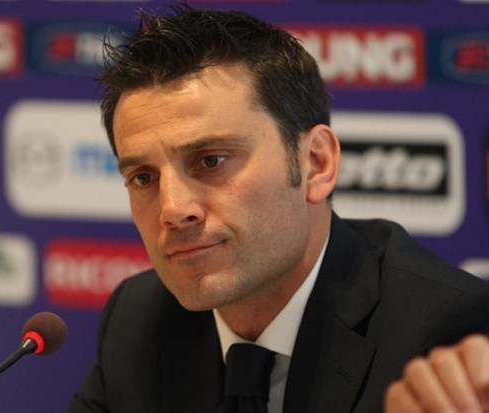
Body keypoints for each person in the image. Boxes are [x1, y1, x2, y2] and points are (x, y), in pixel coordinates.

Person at [68, 6, 489, 413]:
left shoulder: (445, 336)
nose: (174, 208)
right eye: (143, 177)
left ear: (316, 164)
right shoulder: (138, 321)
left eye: (211, 160)